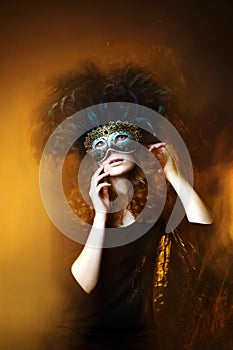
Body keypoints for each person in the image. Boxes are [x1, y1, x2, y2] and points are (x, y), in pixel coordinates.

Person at [32, 63, 212, 349]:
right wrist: (102, 216)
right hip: (83, 337)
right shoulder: (78, 218)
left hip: (142, 339)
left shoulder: (153, 213)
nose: (112, 150)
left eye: (120, 138)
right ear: (95, 160)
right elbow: (83, 285)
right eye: (100, 144)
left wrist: (173, 174)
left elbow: (204, 228)